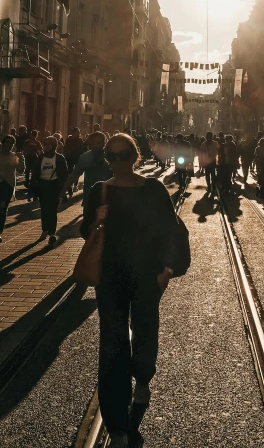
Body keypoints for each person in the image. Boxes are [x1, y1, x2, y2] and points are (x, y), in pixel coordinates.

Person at [80, 134, 182, 448]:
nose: (118, 161)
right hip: (110, 277)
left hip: (147, 276)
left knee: (145, 334)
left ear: (135, 157)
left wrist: (166, 269)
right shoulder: (101, 190)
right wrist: (96, 223)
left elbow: (171, 229)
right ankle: (117, 425)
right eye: (112, 156)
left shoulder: (154, 188)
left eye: (124, 155)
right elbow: (85, 230)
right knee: (112, 345)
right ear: (107, 159)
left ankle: (143, 379)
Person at [60, 130, 113, 211]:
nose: (96, 145)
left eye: (99, 143)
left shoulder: (111, 156)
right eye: (93, 143)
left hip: (108, 199)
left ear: (104, 143)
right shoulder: (85, 157)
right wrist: (63, 191)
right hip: (89, 199)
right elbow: (74, 175)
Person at [30, 136, 68, 245]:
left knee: (52, 210)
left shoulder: (60, 158)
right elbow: (35, 173)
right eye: (45, 144)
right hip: (43, 186)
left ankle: (52, 232)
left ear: (54, 146)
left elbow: (64, 175)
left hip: (54, 186)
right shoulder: (40, 158)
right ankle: (45, 230)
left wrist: (63, 191)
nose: (46, 146)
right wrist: (33, 189)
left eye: (49, 144)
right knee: (44, 209)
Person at [23, 130, 43, 198]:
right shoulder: (37, 142)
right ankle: (29, 184)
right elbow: (41, 150)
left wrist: (24, 155)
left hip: (30, 157)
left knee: (28, 171)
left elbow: (25, 150)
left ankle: (28, 183)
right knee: (31, 172)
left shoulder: (27, 142)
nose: (34, 137)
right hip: (33, 157)